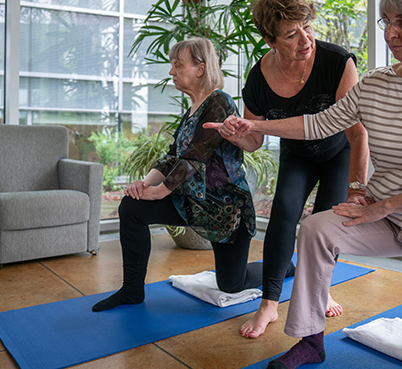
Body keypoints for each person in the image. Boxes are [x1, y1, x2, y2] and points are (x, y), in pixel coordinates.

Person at [206, 0, 402, 368]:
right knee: (316, 228)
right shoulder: (376, 83)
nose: (390, 33)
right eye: (386, 21)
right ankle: (310, 341)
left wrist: (380, 204)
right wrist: (253, 125)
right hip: (390, 221)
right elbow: (319, 123)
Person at [216, 0, 369, 339]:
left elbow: (358, 133)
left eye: (307, 26)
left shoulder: (337, 62)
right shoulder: (258, 79)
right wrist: (236, 134)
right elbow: (254, 140)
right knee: (284, 214)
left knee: (322, 224)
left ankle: (319, 288)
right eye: (291, 33)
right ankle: (269, 303)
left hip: (337, 153)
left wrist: (357, 189)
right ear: (270, 40)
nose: (305, 39)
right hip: (297, 154)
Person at [92, 37, 271, 312]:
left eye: (178, 64)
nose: (171, 71)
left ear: (200, 68)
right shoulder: (191, 111)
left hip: (225, 210)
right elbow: (173, 155)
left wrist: (159, 191)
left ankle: (281, 267)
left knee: (232, 285)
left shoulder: (219, 102)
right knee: (132, 207)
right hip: (192, 201)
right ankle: (131, 291)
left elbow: (193, 159)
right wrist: (144, 184)